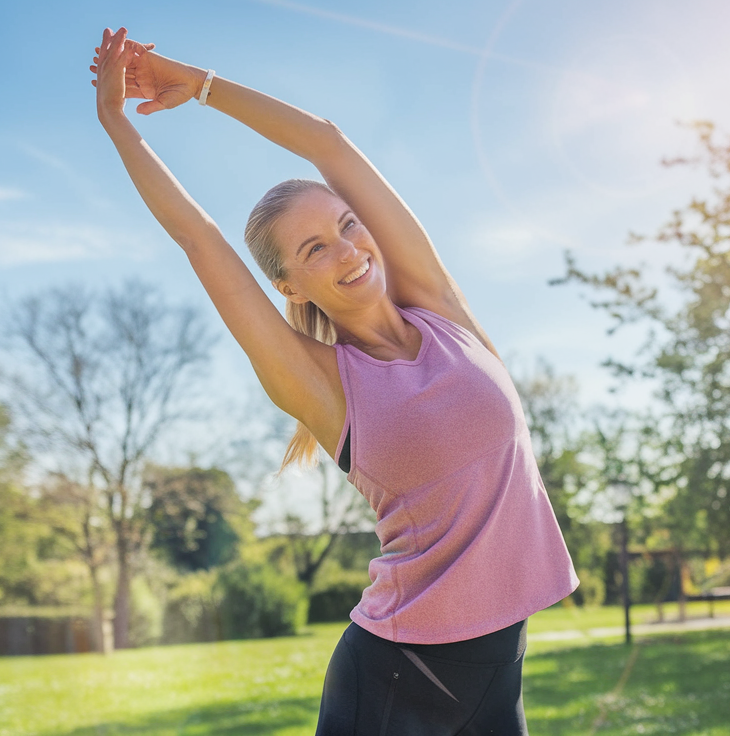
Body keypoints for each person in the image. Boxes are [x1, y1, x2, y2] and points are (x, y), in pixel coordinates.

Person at [91, 27, 577, 735]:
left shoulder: (443, 312)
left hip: (499, 671)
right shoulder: (319, 384)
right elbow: (198, 237)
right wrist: (116, 125)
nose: (350, 250)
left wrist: (198, 84)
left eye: (348, 226)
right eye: (317, 249)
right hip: (397, 679)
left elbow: (328, 144)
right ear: (291, 284)